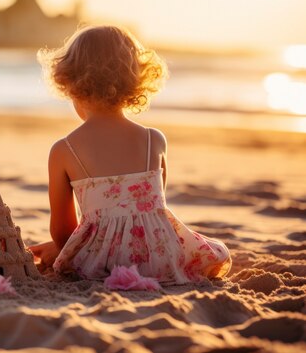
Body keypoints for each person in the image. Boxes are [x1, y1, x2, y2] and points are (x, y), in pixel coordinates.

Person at [29, 26, 231, 284]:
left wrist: (65, 248)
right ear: (135, 81)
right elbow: (155, 211)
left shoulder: (63, 150)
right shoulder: (153, 140)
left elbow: (62, 230)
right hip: (160, 257)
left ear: (70, 84)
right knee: (215, 250)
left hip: (99, 263)